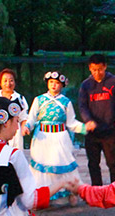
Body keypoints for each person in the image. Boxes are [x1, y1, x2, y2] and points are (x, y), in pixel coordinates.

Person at [22, 71, 87, 207]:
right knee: (42, 167)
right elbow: (32, 118)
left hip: (60, 138)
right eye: (51, 82)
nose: (54, 85)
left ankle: (71, 192)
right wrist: (27, 126)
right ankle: (41, 196)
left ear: (62, 85)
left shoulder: (65, 102)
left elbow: (71, 123)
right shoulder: (39, 100)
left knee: (63, 163)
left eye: (57, 83)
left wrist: (85, 128)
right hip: (42, 138)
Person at [77, 54, 115, 185]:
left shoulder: (114, 82)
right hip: (92, 132)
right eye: (94, 70)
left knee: (112, 162)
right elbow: (82, 106)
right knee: (93, 163)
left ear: (105, 67)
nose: (97, 73)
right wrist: (88, 120)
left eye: (100, 69)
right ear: (89, 69)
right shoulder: (86, 85)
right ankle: (96, 190)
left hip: (109, 130)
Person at [0, 68, 29, 151]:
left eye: (11, 80)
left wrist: (24, 127)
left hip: (14, 133)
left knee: (13, 156)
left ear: (15, 82)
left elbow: (24, 118)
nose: (8, 84)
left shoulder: (20, 98)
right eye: (5, 81)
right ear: (0, 82)